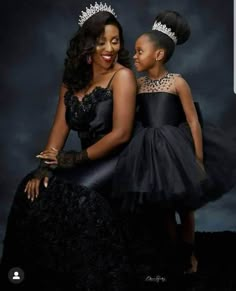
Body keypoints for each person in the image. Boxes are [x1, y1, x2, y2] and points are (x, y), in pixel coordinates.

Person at [1, 3, 136, 290]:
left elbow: (122, 134)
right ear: (87, 45)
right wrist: (44, 167)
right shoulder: (72, 80)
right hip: (83, 159)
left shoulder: (122, 76)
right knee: (33, 187)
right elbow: (59, 129)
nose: (110, 48)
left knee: (78, 197)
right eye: (101, 42)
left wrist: (74, 159)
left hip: (119, 159)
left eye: (115, 40)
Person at [113, 10, 236, 277]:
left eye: (139, 51)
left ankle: (188, 255)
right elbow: (131, 114)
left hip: (176, 149)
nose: (134, 56)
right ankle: (172, 257)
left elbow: (192, 122)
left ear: (157, 55)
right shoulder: (139, 84)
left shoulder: (177, 82)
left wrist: (198, 159)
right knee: (163, 209)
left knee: (185, 207)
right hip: (148, 150)